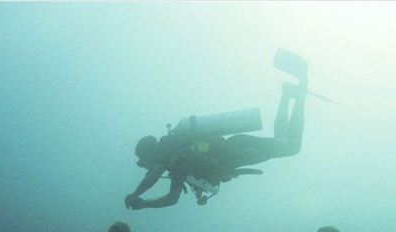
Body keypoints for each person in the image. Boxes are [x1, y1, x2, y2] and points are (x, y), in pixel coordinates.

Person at [124, 52, 308, 210]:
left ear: (150, 151)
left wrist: (136, 194)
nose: (143, 166)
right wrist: (144, 204)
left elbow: (154, 174)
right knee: (285, 143)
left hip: (238, 150)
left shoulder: (167, 148)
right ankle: (288, 94)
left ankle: (298, 91)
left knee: (291, 146)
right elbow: (172, 199)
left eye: (143, 160)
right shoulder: (175, 163)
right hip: (238, 152)